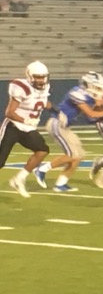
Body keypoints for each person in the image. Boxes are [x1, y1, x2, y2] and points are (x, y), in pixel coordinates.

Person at [33, 72, 103, 192]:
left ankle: (61, 184)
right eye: (95, 86)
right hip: (56, 123)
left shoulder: (88, 96)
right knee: (71, 154)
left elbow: (90, 118)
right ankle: (42, 169)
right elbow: (91, 114)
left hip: (64, 126)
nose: (98, 90)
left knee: (79, 155)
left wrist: (99, 105)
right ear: (87, 84)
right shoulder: (77, 93)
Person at [2, 61, 53, 198]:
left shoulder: (45, 87)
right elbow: (9, 112)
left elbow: (42, 102)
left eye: (43, 77)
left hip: (28, 129)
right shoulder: (22, 87)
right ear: (30, 76)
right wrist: (25, 120)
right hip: (12, 127)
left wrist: (56, 110)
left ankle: (19, 179)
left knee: (42, 151)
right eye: (37, 77)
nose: (41, 80)